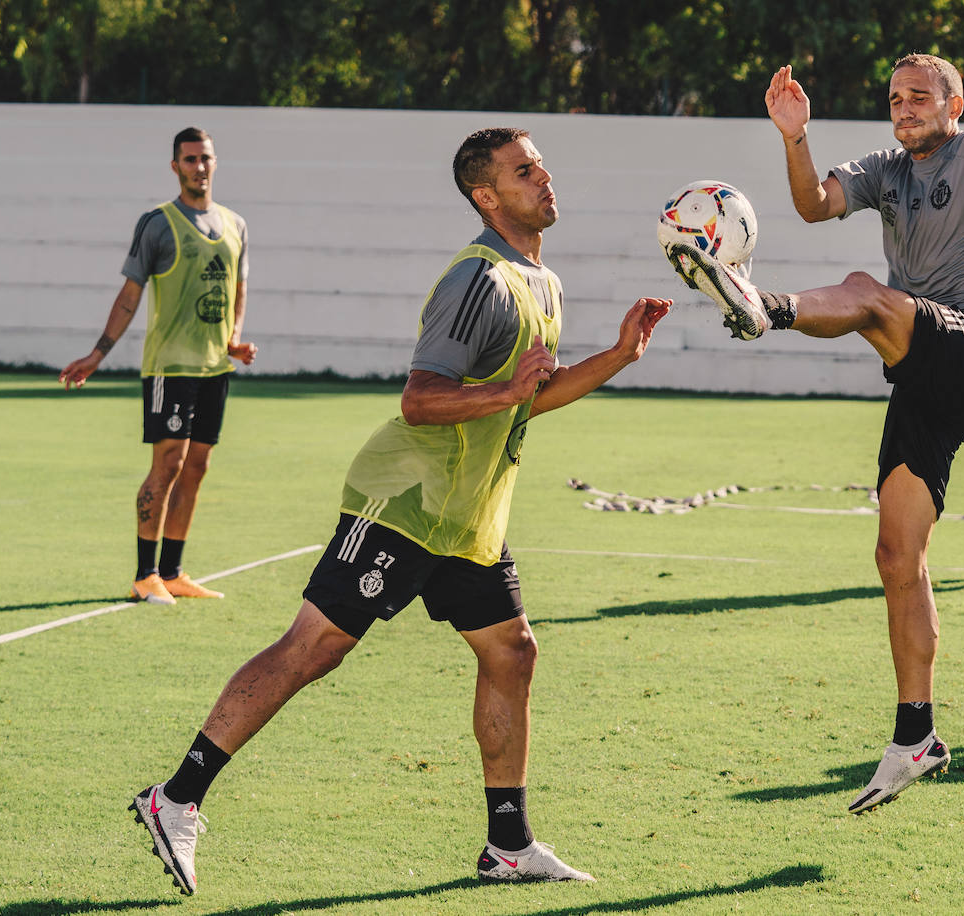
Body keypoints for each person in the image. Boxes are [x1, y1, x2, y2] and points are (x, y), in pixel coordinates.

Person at [128, 127, 670, 894]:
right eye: (524, 170)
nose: (544, 178)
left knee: (512, 652)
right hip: (407, 504)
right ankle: (174, 798)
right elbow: (421, 400)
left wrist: (617, 356)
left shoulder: (540, 281)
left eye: (541, 165)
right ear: (487, 196)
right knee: (312, 649)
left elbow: (526, 403)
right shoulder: (477, 281)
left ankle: (507, 846)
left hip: (468, 518)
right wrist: (506, 392)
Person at [664, 55, 964, 814]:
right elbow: (812, 206)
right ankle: (916, 736)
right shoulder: (884, 168)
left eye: (921, 97)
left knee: (867, 293)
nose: (905, 109)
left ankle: (764, 306)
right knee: (898, 554)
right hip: (919, 368)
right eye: (896, 99)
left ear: (954, 102)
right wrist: (794, 137)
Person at [60, 127, 257, 606]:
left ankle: (172, 572)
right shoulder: (157, 224)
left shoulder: (236, 225)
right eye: (189, 160)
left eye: (206, 158)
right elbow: (130, 296)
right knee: (168, 463)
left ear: (215, 163)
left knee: (197, 467)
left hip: (214, 369)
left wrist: (232, 339)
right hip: (171, 367)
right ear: (175, 167)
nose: (199, 167)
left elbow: (238, 289)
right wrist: (97, 354)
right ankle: (144, 574)